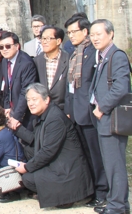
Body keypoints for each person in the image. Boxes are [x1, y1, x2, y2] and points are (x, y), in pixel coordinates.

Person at [9, 83, 93, 209]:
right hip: (58, 163)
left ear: (47, 99)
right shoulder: (45, 114)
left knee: (28, 179)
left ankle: (66, 197)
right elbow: (36, 140)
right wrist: (17, 127)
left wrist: (27, 167)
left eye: (34, 99)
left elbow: (48, 151)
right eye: (28, 100)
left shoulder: (55, 118)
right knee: (27, 151)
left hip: (66, 170)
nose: (30, 103)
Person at [64, 14, 108, 207]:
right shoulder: (75, 53)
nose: (71, 36)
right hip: (75, 112)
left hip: (90, 113)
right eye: (69, 33)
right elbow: (70, 86)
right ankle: (92, 190)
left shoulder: (93, 52)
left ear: (85, 31)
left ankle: (103, 192)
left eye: (74, 31)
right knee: (86, 155)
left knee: (97, 155)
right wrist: (68, 109)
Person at [89, 19, 131, 214]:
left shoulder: (117, 56)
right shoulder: (102, 56)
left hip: (111, 117)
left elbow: (121, 87)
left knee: (115, 165)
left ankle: (118, 206)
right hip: (104, 119)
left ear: (111, 33)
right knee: (110, 164)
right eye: (92, 34)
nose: (94, 38)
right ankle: (116, 203)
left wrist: (101, 107)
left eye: (99, 34)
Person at [0, 31, 38, 129]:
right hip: (11, 108)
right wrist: (7, 106)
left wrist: (17, 116)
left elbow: (26, 92)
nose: (4, 50)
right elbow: (6, 86)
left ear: (17, 46)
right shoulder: (4, 61)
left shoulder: (26, 63)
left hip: (25, 111)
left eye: (8, 46)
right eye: (1, 47)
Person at [33, 26, 69, 110]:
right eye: (43, 38)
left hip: (62, 109)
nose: (44, 42)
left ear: (58, 41)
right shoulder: (37, 61)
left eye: (48, 39)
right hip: (43, 109)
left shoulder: (68, 59)